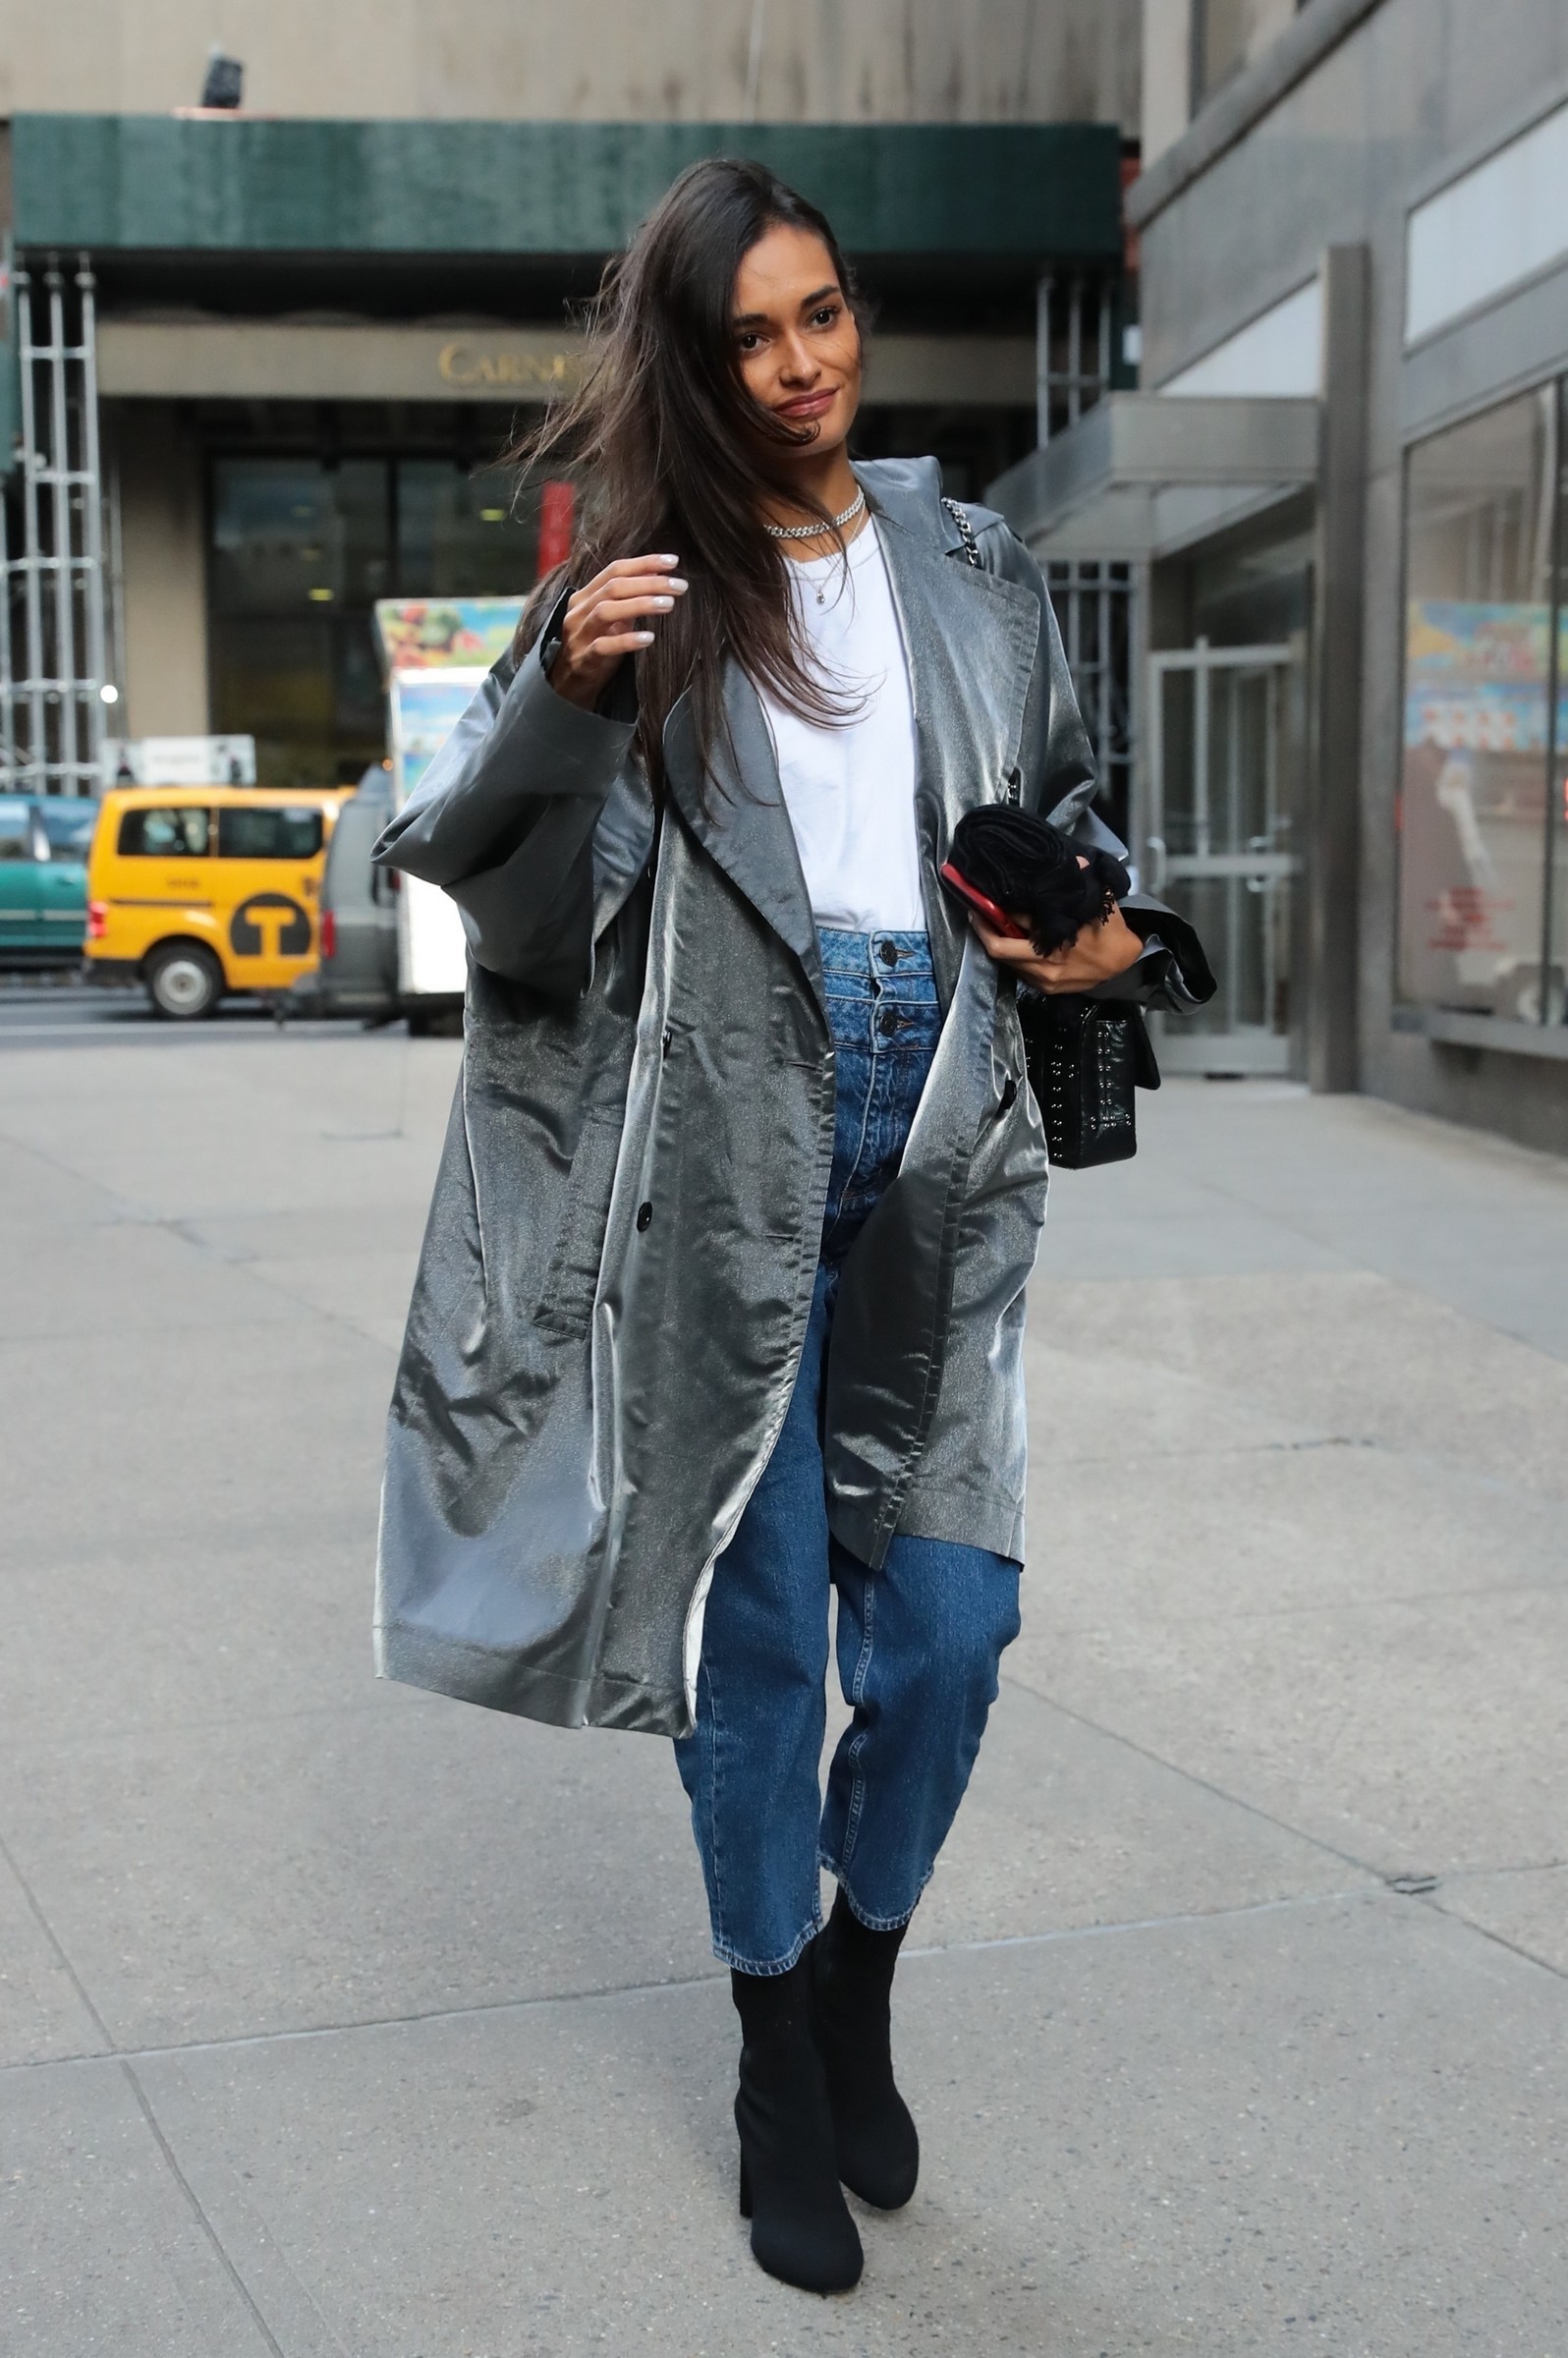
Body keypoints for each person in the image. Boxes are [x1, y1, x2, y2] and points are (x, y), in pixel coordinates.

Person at [371, 157, 1197, 2296]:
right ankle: (771, 2063)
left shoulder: (969, 558)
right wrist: (563, 697)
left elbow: (1066, 804)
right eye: (749, 333)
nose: (801, 362)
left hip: (938, 1140)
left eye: (820, 312)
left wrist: (1090, 910)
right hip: (717, 1160)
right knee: (754, 1655)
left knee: (951, 1632)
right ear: (692, 358)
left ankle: (857, 1980)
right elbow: (497, 898)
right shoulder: (636, 594)